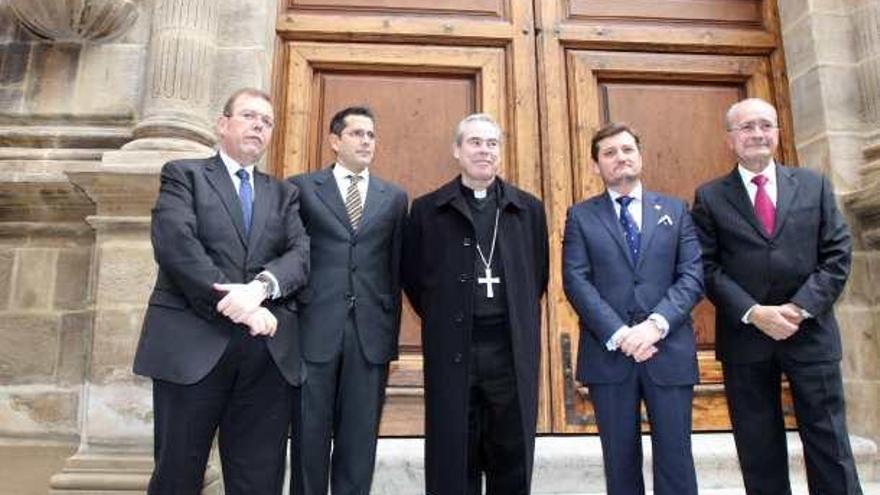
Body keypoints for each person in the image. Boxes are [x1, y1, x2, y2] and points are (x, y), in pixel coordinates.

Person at [133, 88, 310, 494]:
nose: (259, 127)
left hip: (266, 358)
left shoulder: (284, 194)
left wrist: (261, 288)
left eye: (267, 122)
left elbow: (300, 255)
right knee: (177, 474)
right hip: (193, 347)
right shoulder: (183, 174)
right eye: (249, 116)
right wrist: (242, 307)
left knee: (258, 480)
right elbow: (177, 245)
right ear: (223, 124)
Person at [692, 97, 863, 495]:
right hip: (746, 339)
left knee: (830, 442)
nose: (757, 134)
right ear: (730, 139)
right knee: (758, 446)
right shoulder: (710, 196)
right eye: (746, 127)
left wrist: (800, 308)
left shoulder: (813, 184)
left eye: (765, 125)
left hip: (812, 333)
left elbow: (837, 254)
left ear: (777, 133)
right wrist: (753, 312)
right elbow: (705, 265)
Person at [403, 113, 549, 495]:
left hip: (509, 350)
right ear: (457, 150)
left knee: (511, 452)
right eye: (475, 142)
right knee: (453, 454)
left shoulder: (527, 209)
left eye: (492, 143)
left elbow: (537, 277)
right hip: (455, 349)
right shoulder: (427, 210)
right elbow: (415, 280)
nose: (484, 151)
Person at [562, 122, 703, 495]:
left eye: (627, 150)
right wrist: (622, 334)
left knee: (676, 457)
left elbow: (692, 275)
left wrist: (655, 326)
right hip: (610, 355)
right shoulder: (581, 216)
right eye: (609, 153)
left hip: (668, 350)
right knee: (619, 461)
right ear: (596, 165)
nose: (620, 158)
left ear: (639, 156)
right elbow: (576, 281)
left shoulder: (675, 209)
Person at [288, 106, 408, 495]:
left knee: (359, 441)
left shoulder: (394, 197)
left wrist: (390, 327)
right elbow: (291, 254)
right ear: (335, 141)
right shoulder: (302, 188)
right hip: (315, 329)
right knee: (309, 437)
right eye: (357, 134)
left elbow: (395, 266)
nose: (366, 141)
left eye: (371, 135)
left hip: (369, 334)